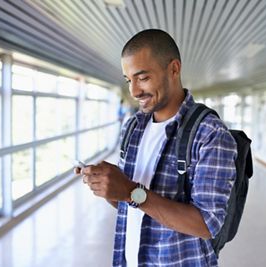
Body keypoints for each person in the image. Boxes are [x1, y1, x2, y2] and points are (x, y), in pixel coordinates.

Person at [75, 29, 237, 267]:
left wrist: (130, 191)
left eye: (143, 78)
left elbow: (206, 224)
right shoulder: (133, 127)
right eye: (129, 80)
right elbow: (132, 204)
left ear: (173, 69)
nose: (134, 91)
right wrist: (110, 187)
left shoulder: (210, 133)